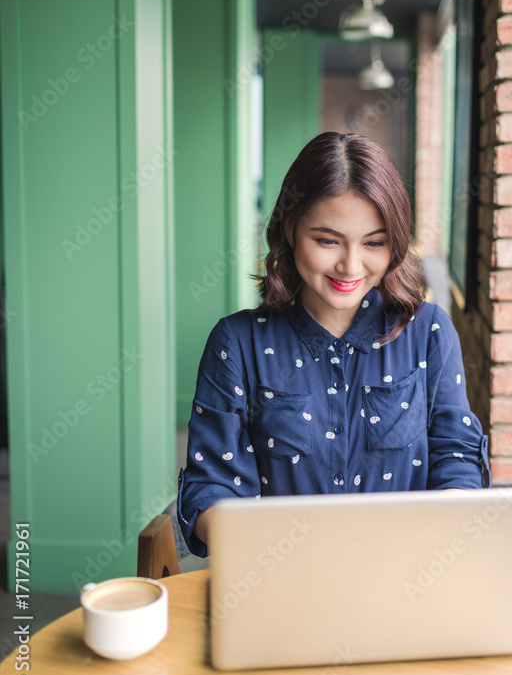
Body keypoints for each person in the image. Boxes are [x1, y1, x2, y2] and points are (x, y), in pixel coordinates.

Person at [177, 132, 490, 557]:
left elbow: (456, 456)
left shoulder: (429, 333)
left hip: (408, 579)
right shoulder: (236, 343)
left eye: (374, 243)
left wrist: (446, 524)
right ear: (290, 230)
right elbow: (211, 484)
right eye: (327, 240)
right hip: (277, 582)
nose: (351, 265)